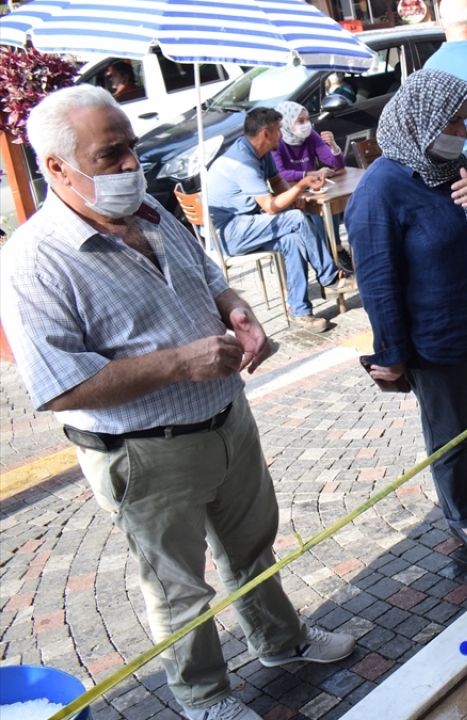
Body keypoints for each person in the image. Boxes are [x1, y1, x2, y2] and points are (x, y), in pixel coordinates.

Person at [0, 85, 355, 720]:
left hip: (226, 420)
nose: (132, 165)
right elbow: (59, 387)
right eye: (111, 155)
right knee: (176, 587)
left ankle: (280, 641)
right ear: (57, 168)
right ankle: (204, 697)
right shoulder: (33, 262)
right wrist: (177, 363)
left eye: (132, 148)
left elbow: (210, 278)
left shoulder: (154, 212)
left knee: (252, 547)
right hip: (144, 452)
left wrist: (238, 311)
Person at [345, 69, 467, 559]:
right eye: (452, 123)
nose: (461, 133)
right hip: (434, 340)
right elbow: (378, 283)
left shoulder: (457, 167)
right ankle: (464, 516)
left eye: (464, 121)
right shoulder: (380, 191)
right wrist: (393, 354)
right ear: (421, 121)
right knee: (450, 435)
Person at [207, 107, 357, 334]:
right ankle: (331, 277)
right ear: (265, 134)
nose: (282, 134)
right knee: (295, 219)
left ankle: (300, 311)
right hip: (231, 232)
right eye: (278, 130)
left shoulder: (261, 151)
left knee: (292, 240)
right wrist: (301, 186)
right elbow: (270, 205)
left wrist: (293, 196)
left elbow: (277, 181)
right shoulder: (243, 163)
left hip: (248, 223)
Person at [271, 100, 355, 275]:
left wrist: (333, 147)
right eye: (300, 121)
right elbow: (281, 174)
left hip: (313, 189)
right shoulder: (277, 142)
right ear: (286, 122)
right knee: (317, 215)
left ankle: (336, 250)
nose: (305, 125)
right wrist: (308, 174)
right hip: (289, 193)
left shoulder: (311, 136)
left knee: (331, 201)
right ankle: (330, 258)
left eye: (307, 119)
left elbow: (337, 164)